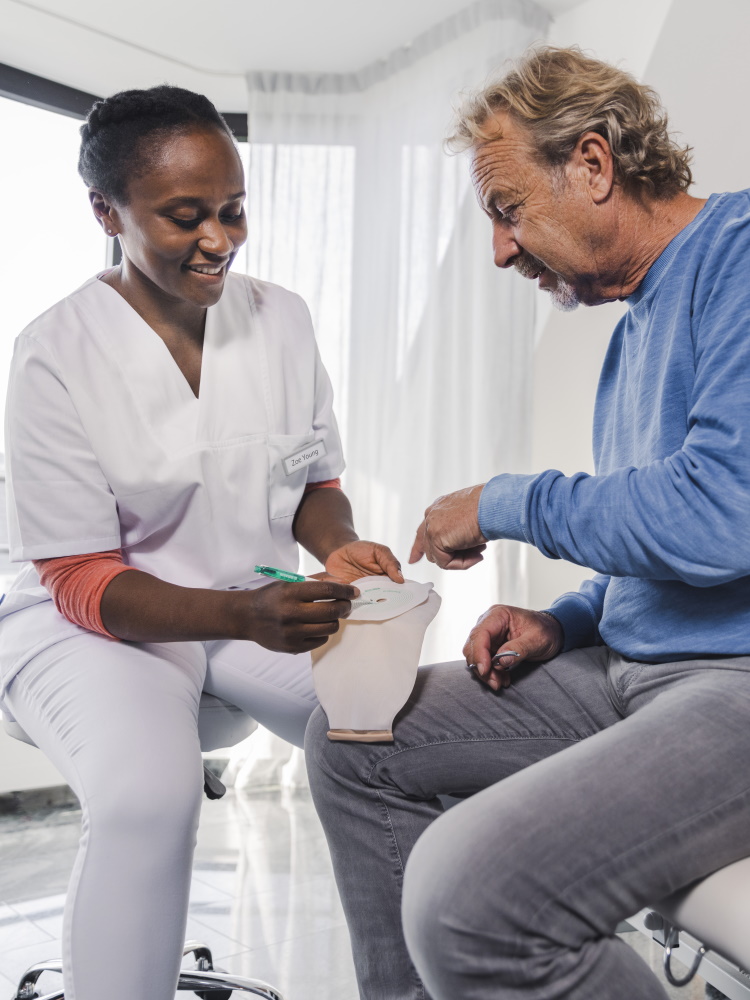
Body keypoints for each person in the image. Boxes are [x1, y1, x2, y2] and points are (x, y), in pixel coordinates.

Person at [305, 45, 750, 1000]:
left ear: (593, 165)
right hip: (631, 670)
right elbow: (661, 545)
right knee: (353, 740)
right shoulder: (633, 332)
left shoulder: (743, 257)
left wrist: (504, 501)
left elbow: (724, 515)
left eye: (507, 211)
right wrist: (571, 619)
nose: (501, 249)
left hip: (736, 686)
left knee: (468, 897)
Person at [0, 85, 401, 1000]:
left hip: (241, 612)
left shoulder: (282, 318)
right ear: (108, 212)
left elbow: (311, 483)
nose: (219, 239)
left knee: (398, 730)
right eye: (185, 217)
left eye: (233, 210)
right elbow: (77, 576)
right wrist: (242, 614)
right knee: (149, 797)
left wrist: (337, 548)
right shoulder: (55, 353)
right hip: (92, 630)